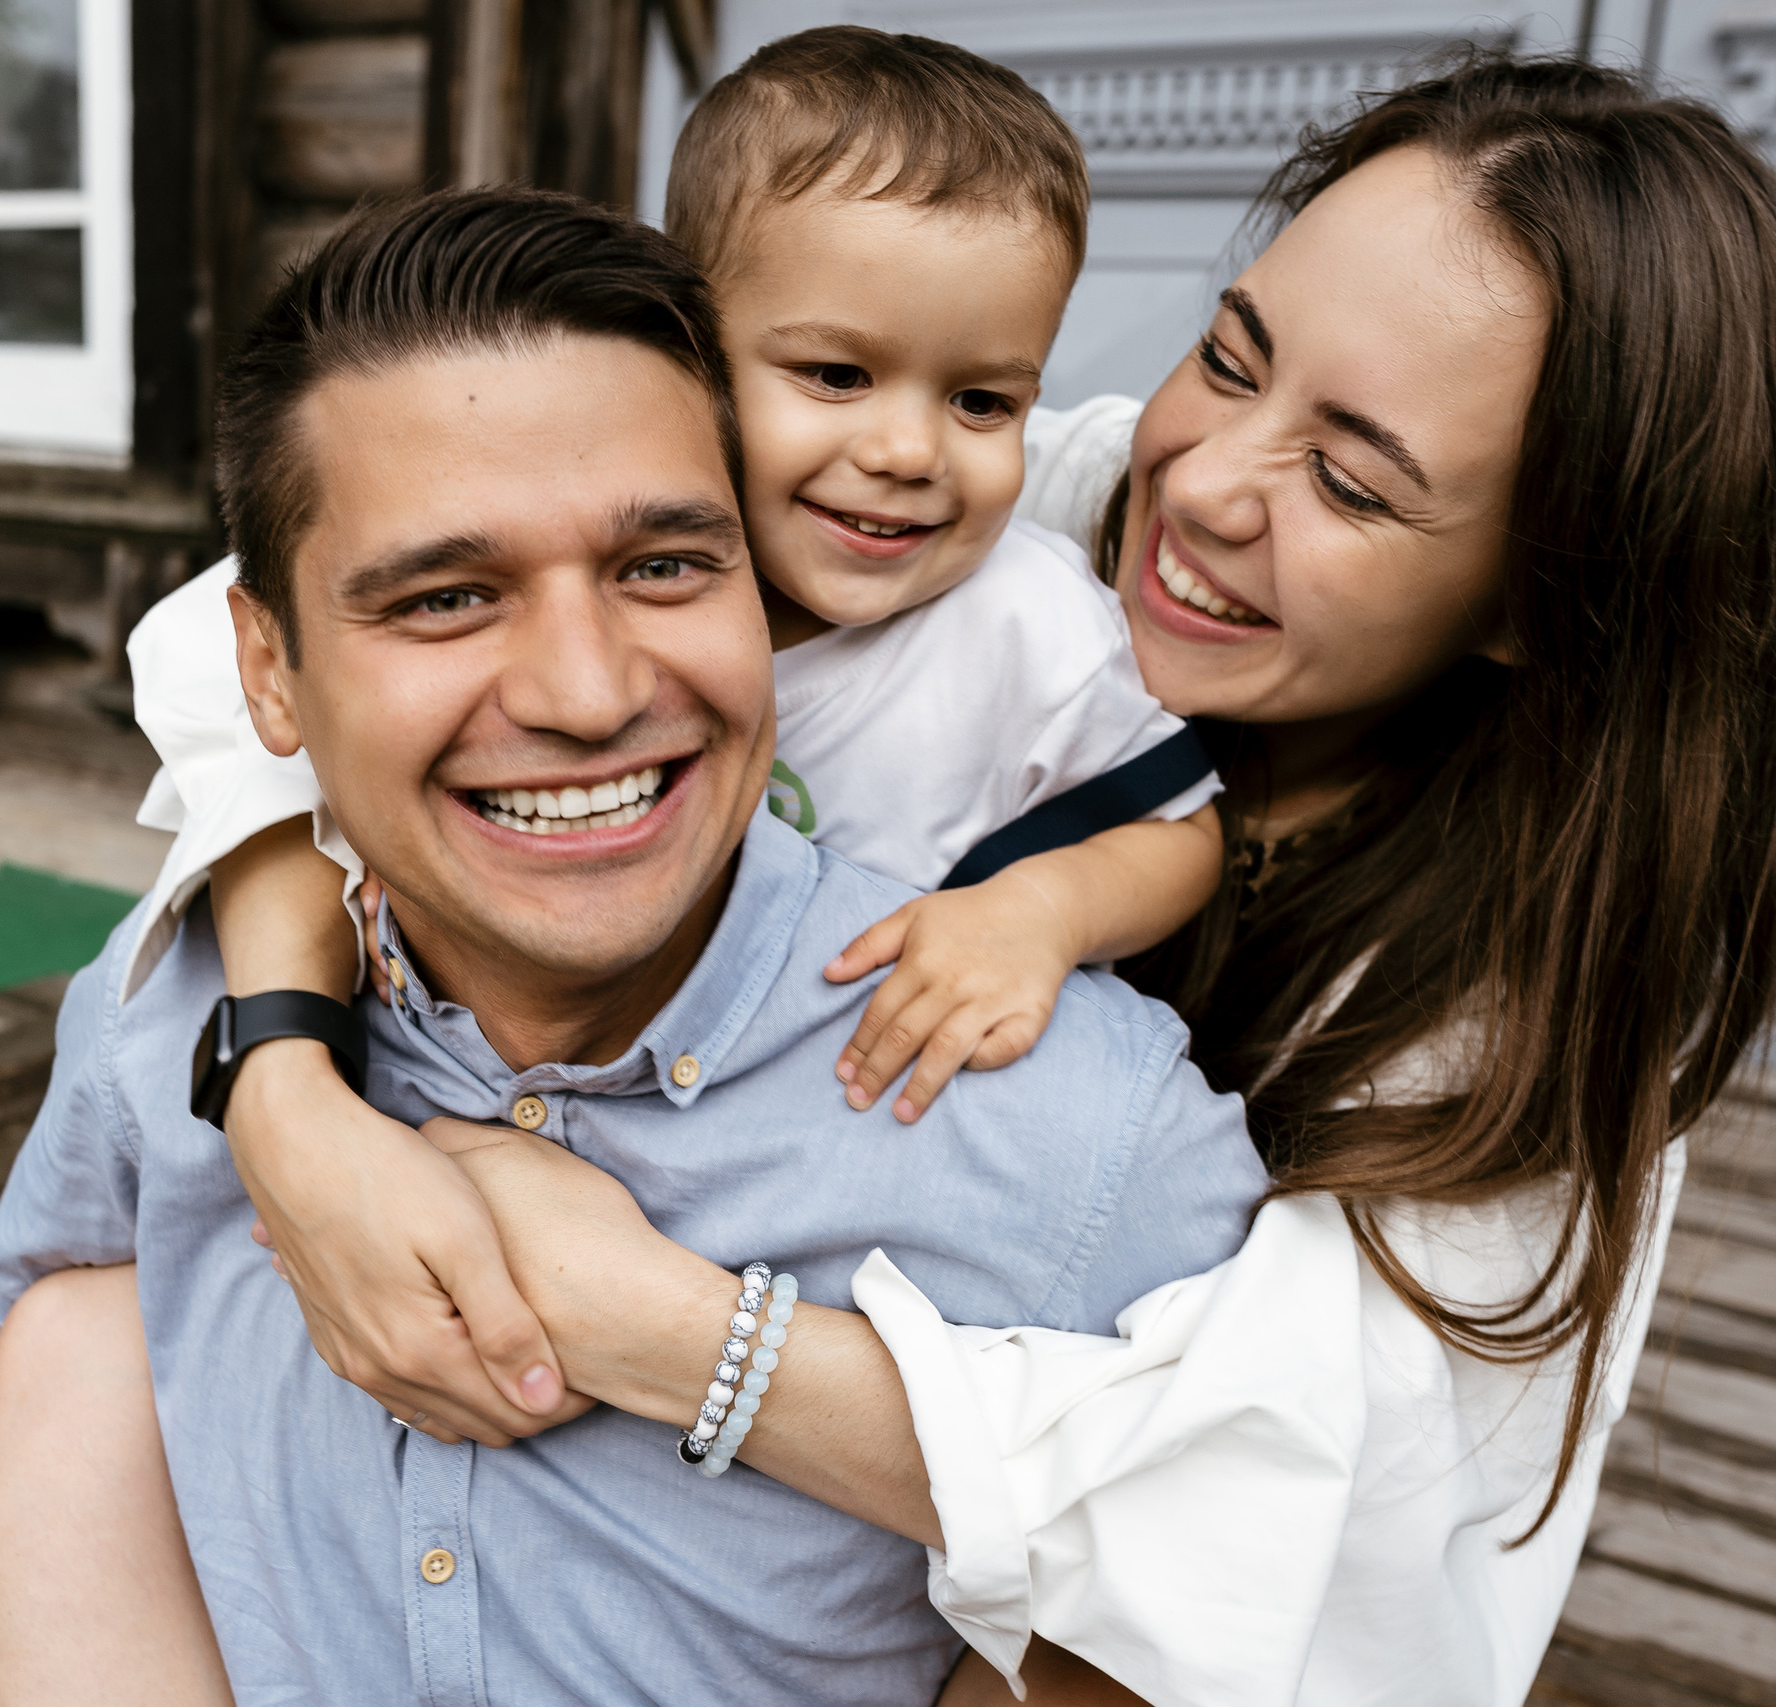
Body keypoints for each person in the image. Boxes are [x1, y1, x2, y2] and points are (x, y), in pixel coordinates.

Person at [38, 54, 1776, 1704]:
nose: (1204, 481)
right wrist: (281, 1072)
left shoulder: (1512, 1030)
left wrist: (659, 1325)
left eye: (1354, 485)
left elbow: (1264, 1533)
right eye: (1231, 353)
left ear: (1542, 595)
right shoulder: (1011, 501)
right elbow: (253, 641)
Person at [0, 189, 1268, 1704]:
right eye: (448, 597)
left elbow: (1273, 1569)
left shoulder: (1069, 1123)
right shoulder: (167, 1015)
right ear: (265, 669)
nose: (590, 693)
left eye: (664, 565)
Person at [124, 33, 1230, 1457]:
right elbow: (228, 667)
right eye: (836, 375)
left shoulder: (1023, 622)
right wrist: (279, 1074)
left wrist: (1040, 910)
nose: (908, 450)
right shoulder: (565, 536)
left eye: (981, 403)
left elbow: (1185, 820)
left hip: (850, 1142)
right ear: (695, 356)